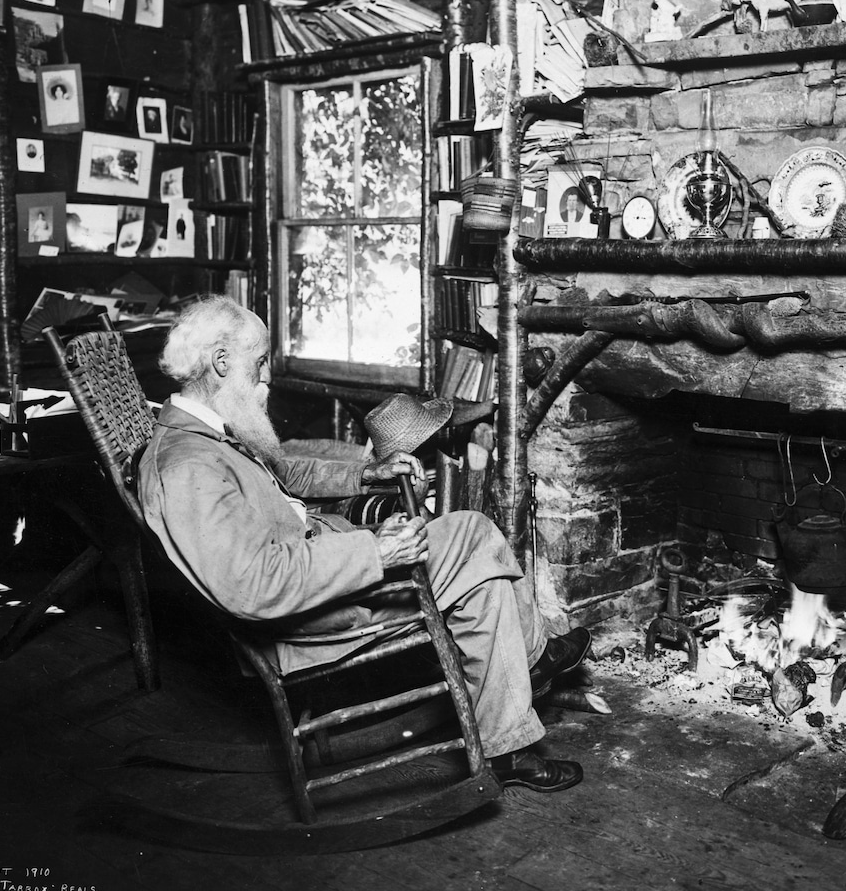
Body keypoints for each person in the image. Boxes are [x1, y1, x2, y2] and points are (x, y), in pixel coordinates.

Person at [138, 296, 589, 792]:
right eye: (261, 361)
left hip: (324, 569)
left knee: (480, 575)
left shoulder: (209, 432)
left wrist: (366, 472)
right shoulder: (186, 466)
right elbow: (252, 584)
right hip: (305, 619)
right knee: (473, 534)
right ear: (222, 363)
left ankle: (510, 737)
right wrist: (377, 552)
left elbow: (285, 471)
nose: (267, 377)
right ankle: (532, 661)